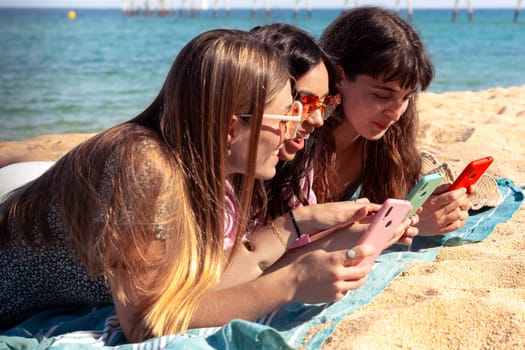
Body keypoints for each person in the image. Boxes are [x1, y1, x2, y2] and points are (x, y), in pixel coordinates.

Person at [0, 28, 396, 342]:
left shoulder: (201, 170)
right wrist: (290, 283)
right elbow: (146, 322)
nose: (297, 130)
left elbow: (206, 283)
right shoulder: (143, 166)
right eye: (285, 117)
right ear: (231, 126)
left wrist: (301, 222)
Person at [314, 7, 470, 236]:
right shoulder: (300, 139)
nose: (396, 114)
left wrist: (424, 213)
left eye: (406, 97)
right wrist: (407, 225)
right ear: (339, 76)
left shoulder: (385, 144)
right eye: (382, 96)